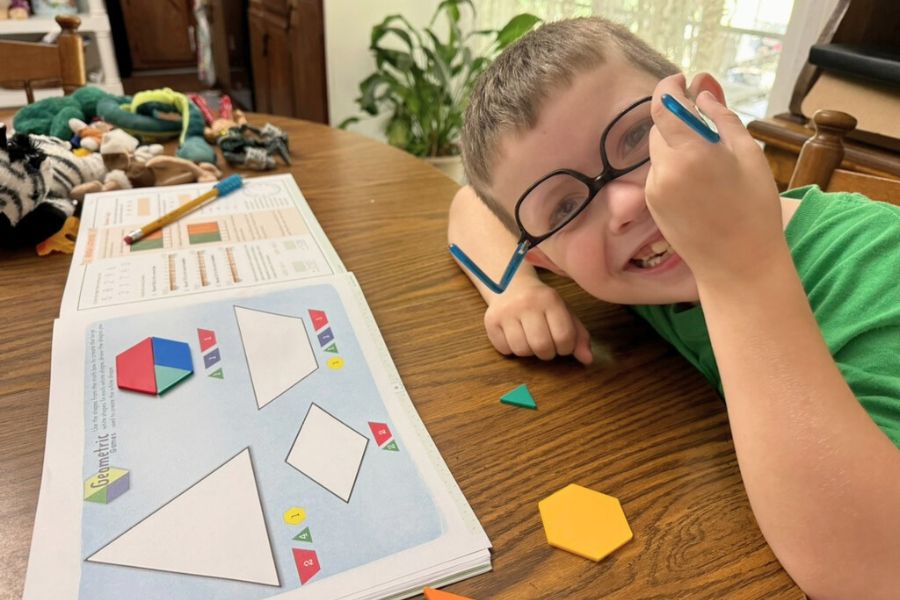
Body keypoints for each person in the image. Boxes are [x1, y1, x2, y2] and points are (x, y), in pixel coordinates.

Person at [448, 17, 900, 600]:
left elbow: (879, 572)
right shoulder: (642, 270)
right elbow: (470, 203)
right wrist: (516, 292)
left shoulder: (875, 261)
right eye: (564, 207)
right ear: (548, 258)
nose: (626, 204)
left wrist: (739, 265)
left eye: (636, 137)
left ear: (709, 109)